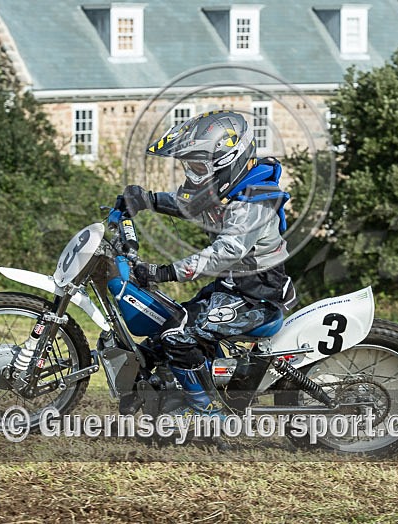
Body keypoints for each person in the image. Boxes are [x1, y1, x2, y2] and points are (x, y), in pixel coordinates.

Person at [116, 110, 297, 417]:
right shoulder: (236, 189)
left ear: (229, 160)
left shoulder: (254, 201)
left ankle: (210, 412)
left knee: (177, 334)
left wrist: (165, 272)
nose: (193, 173)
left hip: (258, 298)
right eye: (191, 166)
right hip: (233, 290)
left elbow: (225, 251)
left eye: (198, 166)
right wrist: (148, 199)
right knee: (161, 333)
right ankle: (168, 395)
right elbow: (193, 206)